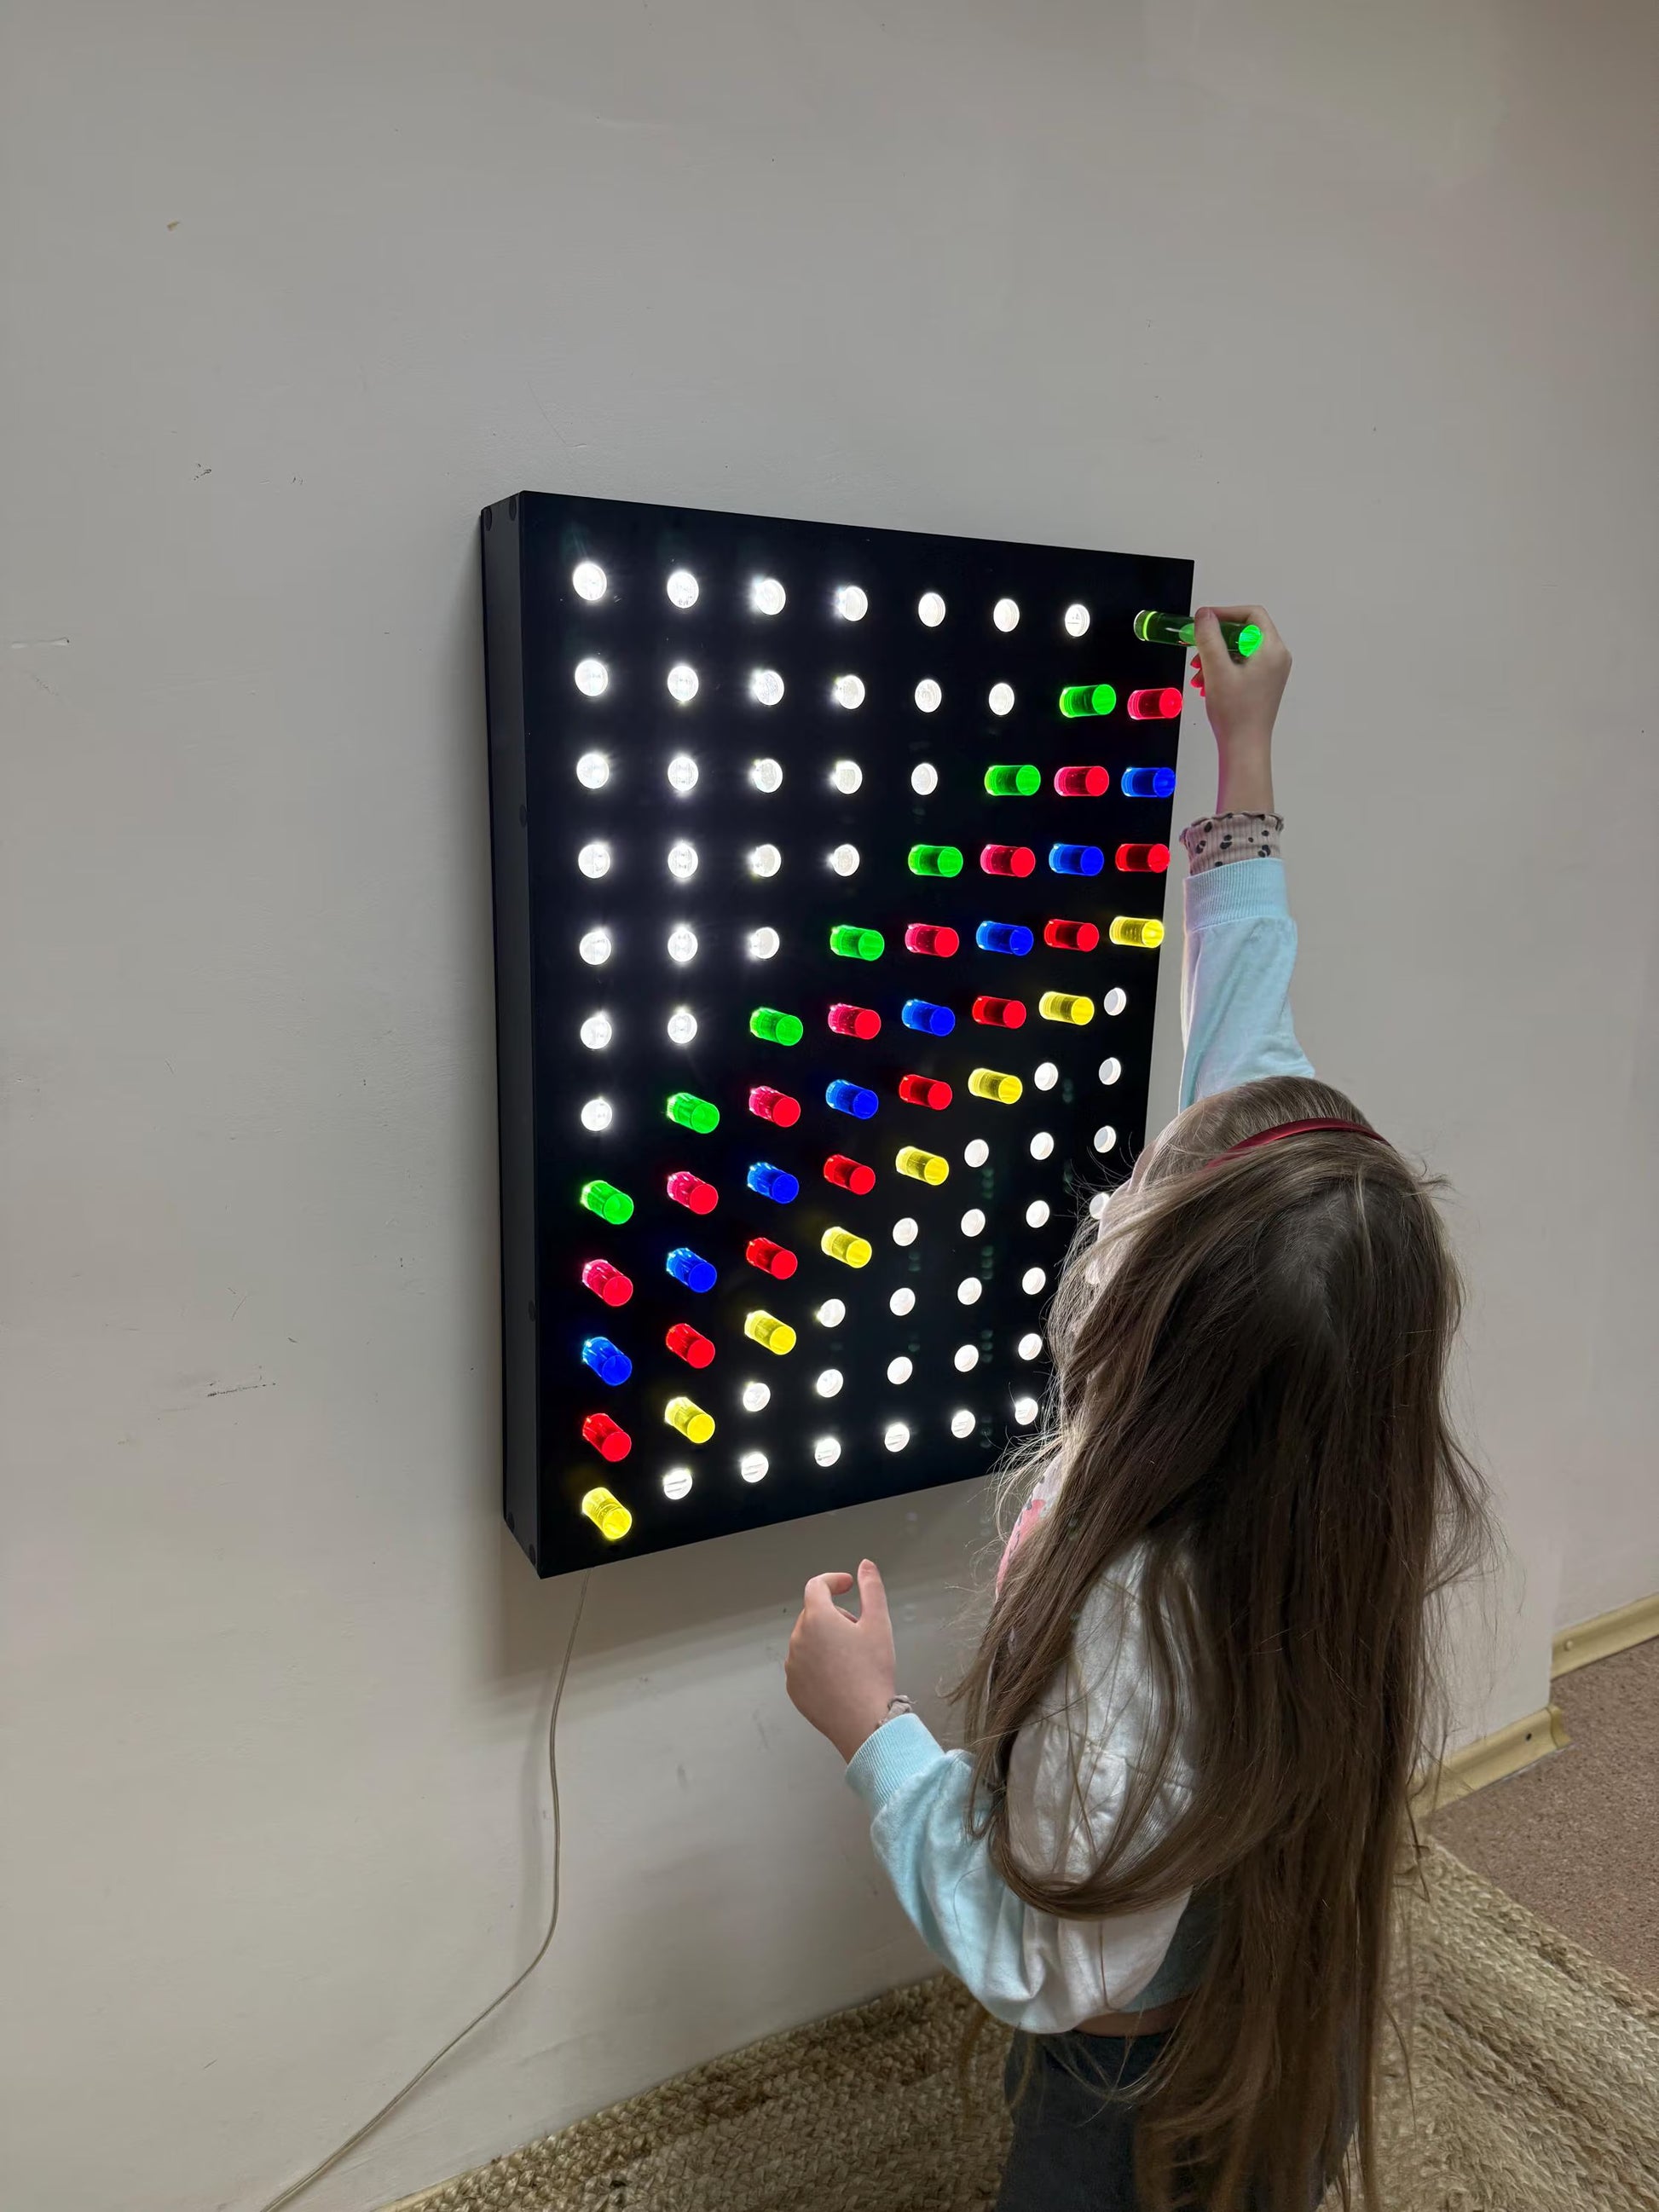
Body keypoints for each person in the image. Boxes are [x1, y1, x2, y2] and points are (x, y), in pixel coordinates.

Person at [784, 607, 1492, 2212]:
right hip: (1240, 1941)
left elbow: (1052, 1968)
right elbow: (1246, 1012)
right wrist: (1241, 749)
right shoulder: (1311, 1390)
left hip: (1132, 2057)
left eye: (1126, 1214)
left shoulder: (1130, 1639)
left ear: (1159, 1331)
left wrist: (872, 1733)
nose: (1114, 1196)